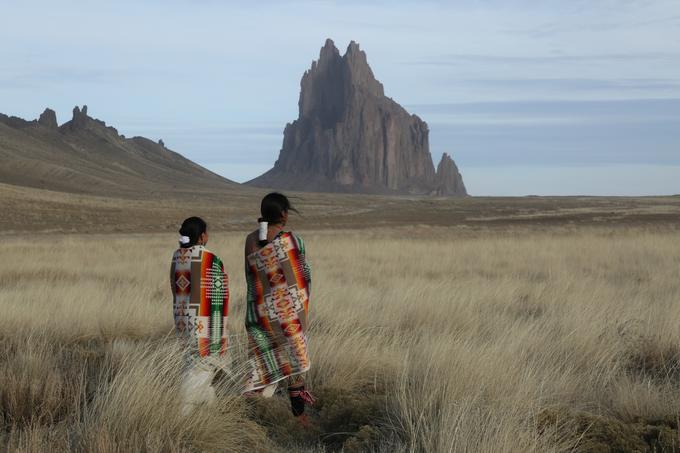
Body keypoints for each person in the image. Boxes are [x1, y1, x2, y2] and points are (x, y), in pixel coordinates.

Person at [243, 193, 314, 419]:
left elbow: (252, 276)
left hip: (259, 315)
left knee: (259, 367)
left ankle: (251, 420)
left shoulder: (250, 240)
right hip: (288, 316)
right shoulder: (295, 241)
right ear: (283, 214)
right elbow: (303, 276)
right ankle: (299, 420)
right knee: (296, 369)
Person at [170, 216, 229, 414]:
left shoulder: (177, 256)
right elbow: (219, 296)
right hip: (204, 323)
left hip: (182, 319)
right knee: (199, 369)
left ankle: (209, 413)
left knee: (193, 365)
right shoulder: (210, 258)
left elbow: (174, 287)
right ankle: (183, 414)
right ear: (202, 236)